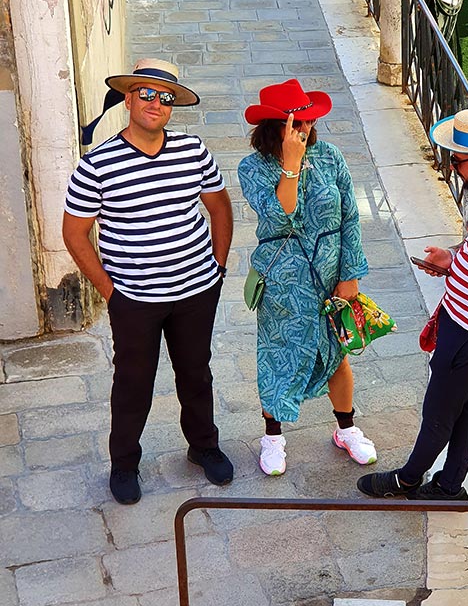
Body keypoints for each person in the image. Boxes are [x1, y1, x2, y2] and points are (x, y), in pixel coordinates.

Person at [63, 58, 234, 505]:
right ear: (128, 99)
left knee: (196, 373)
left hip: (197, 290)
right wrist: (111, 293)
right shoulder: (96, 165)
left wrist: (216, 267)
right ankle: (124, 464)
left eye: (165, 97)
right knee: (133, 383)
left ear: (172, 106)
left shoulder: (193, 150)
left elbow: (219, 206)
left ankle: (204, 446)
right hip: (134, 300)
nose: (155, 103)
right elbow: (74, 233)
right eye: (146, 93)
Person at [357, 102, 468, 501]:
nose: (453, 167)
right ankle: (449, 486)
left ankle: (408, 480)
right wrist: (453, 260)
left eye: (458, 162)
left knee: (439, 412)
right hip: (467, 326)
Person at [238, 78, 376, 477]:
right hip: (284, 282)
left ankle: (346, 429)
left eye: (308, 121)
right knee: (278, 355)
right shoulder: (252, 168)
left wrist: (350, 274)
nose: (305, 129)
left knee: (336, 354)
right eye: (295, 123)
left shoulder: (330, 157)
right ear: (274, 127)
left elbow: (350, 217)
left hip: (331, 275)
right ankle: (272, 437)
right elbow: (281, 213)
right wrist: (291, 164)